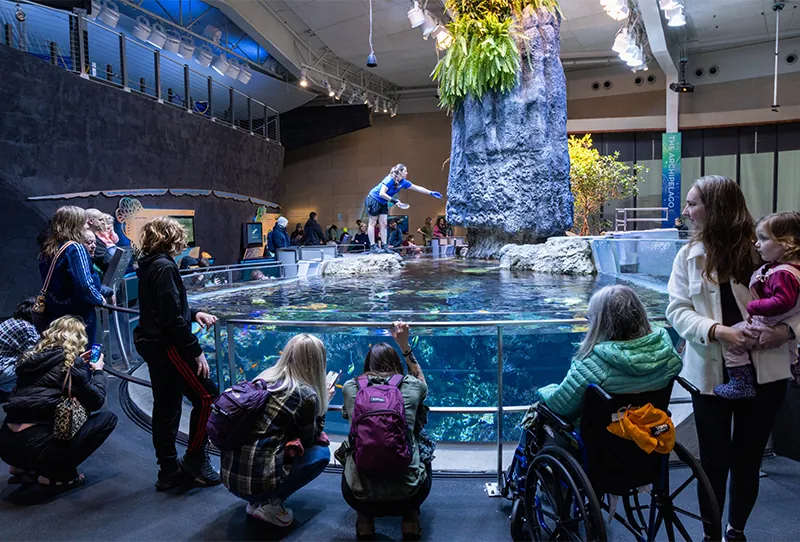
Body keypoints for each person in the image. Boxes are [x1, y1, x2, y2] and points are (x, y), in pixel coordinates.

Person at [666, 175, 800, 542]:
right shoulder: (687, 257)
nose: (686, 211)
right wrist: (718, 331)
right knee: (712, 462)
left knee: (747, 459)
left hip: (766, 374)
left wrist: (786, 332)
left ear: (716, 207)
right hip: (710, 376)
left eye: (692, 203)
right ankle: (711, 536)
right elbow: (676, 310)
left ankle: (735, 531)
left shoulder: (765, 249)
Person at [133, 217, 221, 490]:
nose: (184, 242)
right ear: (170, 238)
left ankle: (169, 470)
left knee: (166, 406)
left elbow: (164, 307)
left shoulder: (150, 265)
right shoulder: (164, 267)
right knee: (207, 397)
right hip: (167, 346)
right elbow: (170, 317)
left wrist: (194, 313)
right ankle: (195, 458)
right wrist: (195, 351)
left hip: (154, 343)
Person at [221, 334, 334, 526]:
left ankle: (256, 502)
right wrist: (324, 403)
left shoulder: (264, 378)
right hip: (255, 484)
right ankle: (271, 504)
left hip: (230, 478)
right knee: (321, 453)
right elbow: (309, 439)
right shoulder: (305, 394)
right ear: (318, 362)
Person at [338, 322, 433, 540]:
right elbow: (423, 385)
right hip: (410, 494)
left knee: (354, 446)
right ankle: (410, 519)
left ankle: (365, 520)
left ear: (367, 364)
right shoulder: (411, 385)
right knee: (422, 444)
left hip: (357, 496)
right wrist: (404, 346)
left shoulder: (352, 387)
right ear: (396, 364)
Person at [535, 285, 682, 423]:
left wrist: (546, 390)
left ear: (599, 324)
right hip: (649, 430)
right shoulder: (669, 356)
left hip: (602, 438)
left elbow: (560, 406)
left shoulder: (592, 365)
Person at [0, 316, 117, 487]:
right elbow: (97, 401)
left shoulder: (31, 359)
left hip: (6, 445)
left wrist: (78, 363)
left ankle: (22, 468)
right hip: (35, 448)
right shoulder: (71, 365)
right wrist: (98, 371)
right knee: (108, 420)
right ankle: (55, 476)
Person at [713, 211, 800, 398]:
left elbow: (783, 301)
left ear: (788, 243)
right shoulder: (788, 268)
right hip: (782, 327)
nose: (756, 244)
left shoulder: (782, 273)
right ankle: (796, 371)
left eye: (763, 238)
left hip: (767, 323)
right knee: (792, 350)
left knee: (733, 340)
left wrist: (754, 306)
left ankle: (741, 382)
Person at [37, 206, 106, 343]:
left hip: (55, 313)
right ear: (75, 224)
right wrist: (99, 299)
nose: (87, 225)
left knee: (61, 351)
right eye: (84, 222)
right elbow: (85, 286)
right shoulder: (75, 248)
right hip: (78, 316)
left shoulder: (48, 250)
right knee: (82, 351)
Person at [364, 164, 442, 248]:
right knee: (372, 222)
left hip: (383, 201)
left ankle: (384, 246)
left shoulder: (403, 182)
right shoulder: (389, 179)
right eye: (405, 171)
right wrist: (395, 201)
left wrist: (430, 192)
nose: (407, 173)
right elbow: (381, 193)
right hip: (374, 199)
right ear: (400, 172)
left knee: (384, 223)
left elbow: (417, 188)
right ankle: (373, 246)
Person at [0, 298, 39, 401]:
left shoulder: (13, 321)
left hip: (2, 363)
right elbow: (37, 353)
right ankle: (7, 391)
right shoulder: (26, 328)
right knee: (31, 366)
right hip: (2, 369)